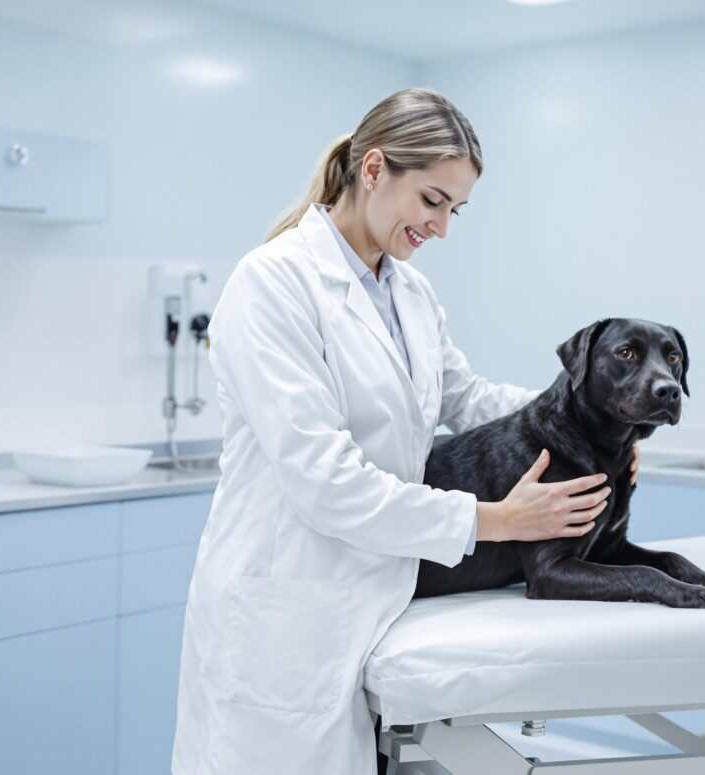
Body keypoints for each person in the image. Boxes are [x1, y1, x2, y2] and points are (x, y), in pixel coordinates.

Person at [171, 87, 639, 775]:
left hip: (384, 599)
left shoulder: (409, 293)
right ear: (373, 170)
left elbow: (466, 396)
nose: (442, 227)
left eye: (455, 209)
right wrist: (496, 519)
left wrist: (596, 428)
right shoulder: (272, 284)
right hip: (289, 611)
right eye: (432, 200)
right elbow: (325, 482)